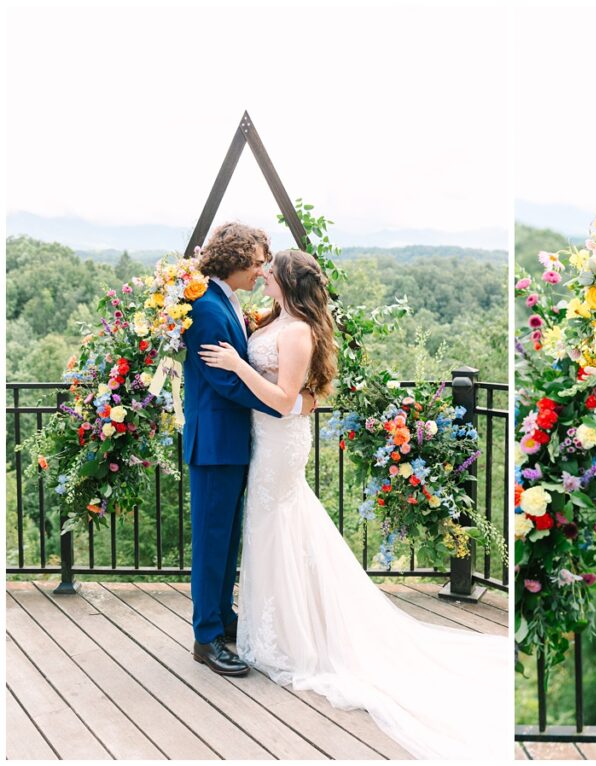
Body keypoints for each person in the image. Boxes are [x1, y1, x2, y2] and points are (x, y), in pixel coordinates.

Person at [198, 248, 507, 760]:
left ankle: (293, 639)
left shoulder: (297, 332)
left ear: (287, 283)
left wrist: (235, 363)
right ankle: (270, 625)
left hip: (278, 440)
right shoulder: (275, 321)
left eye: (270, 273)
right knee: (271, 530)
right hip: (263, 441)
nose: (263, 275)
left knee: (277, 525)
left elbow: (283, 398)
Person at [184, 222, 313, 677]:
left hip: (240, 442)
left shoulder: (226, 300)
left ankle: (223, 619)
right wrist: (287, 404)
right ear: (236, 261)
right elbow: (223, 381)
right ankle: (206, 637)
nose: (261, 271)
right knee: (211, 542)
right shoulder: (205, 307)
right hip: (216, 443)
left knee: (227, 538)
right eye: (257, 262)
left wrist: (290, 399)